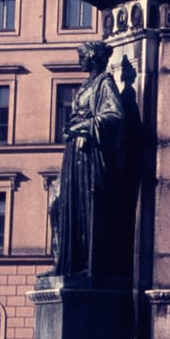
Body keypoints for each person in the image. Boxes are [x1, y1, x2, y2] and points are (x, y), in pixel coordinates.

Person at [51, 41, 134, 279]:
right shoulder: (87, 84)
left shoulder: (104, 83)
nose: (79, 60)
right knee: (58, 205)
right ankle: (67, 263)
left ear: (94, 58)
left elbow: (115, 117)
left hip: (89, 155)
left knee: (85, 207)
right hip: (75, 153)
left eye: (82, 56)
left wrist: (85, 126)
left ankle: (86, 265)